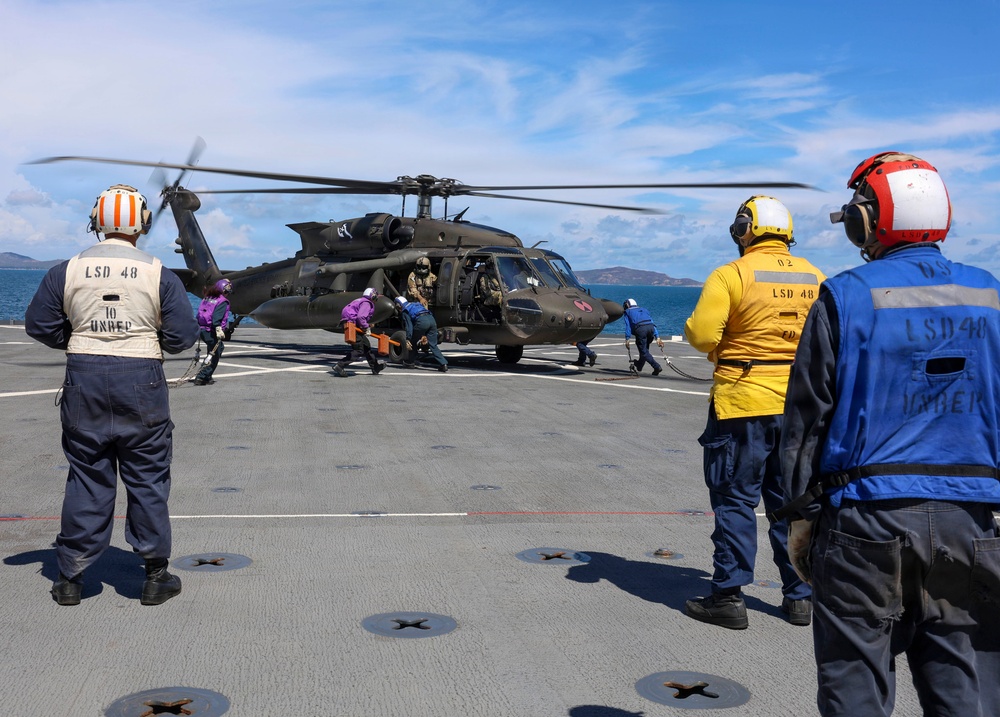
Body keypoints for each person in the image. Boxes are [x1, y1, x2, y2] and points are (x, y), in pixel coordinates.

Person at [778, 152, 1000, 716]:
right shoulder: (991, 295)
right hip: (972, 526)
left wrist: (800, 524)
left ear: (867, 220)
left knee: (855, 685)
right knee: (963, 682)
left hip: (866, 525)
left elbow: (805, 423)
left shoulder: (844, 295)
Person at [24, 184, 198, 606]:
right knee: (148, 476)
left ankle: (70, 579)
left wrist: (80, 338)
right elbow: (181, 339)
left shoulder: (67, 270)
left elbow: (39, 324)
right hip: (141, 378)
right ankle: (155, 575)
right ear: (142, 223)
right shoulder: (159, 272)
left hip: (84, 377)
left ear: (97, 223)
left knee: (87, 475)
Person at [683, 195, 825, 630]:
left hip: (742, 405)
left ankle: (728, 596)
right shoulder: (815, 276)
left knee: (735, 500)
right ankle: (800, 595)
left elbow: (702, 336)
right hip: (801, 409)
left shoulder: (732, 274)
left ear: (743, 229)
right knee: (794, 502)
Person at [333, 288, 385, 377]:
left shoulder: (360, 301)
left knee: (366, 346)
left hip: (352, 324)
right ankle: (340, 365)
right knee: (359, 350)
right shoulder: (367, 303)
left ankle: (375, 367)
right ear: (373, 296)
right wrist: (366, 327)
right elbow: (361, 317)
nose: (376, 300)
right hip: (352, 326)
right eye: (376, 298)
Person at [193, 278, 232, 386]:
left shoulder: (208, 298)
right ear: (224, 290)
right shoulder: (222, 301)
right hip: (211, 330)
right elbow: (216, 318)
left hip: (202, 329)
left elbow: (200, 313)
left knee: (212, 350)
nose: (228, 294)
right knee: (217, 350)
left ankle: (208, 376)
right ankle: (201, 377)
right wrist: (219, 330)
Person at [395, 296, 448, 372]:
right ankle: (443, 364)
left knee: (412, 342)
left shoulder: (405, 311)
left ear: (399, 305)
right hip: (431, 319)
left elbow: (409, 327)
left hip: (422, 322)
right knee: (433, 344)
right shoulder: (415, 304)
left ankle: (410, 362)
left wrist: (408, 339)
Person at [622, 299, 662, 375]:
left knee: (644, 352)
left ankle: (656, 366)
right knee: (644, 350)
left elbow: (628, 326)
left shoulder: (627, 312)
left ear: (627, 305)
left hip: (641, 330)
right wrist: (657, 336)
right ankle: (639, 365)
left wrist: (627, 338)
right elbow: (651, 322)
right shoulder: (644, 310)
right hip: (651, 329)